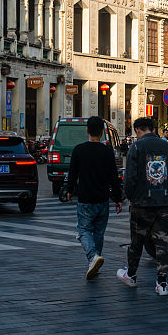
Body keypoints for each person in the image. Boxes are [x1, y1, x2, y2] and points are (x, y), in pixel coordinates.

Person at [117, 116, 168, 296]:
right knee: (162, 242)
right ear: (152, 128)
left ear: (137, 130)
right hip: (164, 201)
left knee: (137, 241)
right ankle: (162, 283)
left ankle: (131, 275)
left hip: (142, 203)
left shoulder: (136, 147)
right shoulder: (167, 146)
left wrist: (129, 196)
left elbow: (130, 178)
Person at [64, 116, 124, 280]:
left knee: (83, 230)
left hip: (85, 198)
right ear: (103, 132)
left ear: (87, 130)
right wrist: (118, 198)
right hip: (103, 199)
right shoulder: (107, 151)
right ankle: (95, 263)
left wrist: (69, 190)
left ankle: (93, 257)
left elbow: (73, 173)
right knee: (98, 233)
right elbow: (114, 176)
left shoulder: (79, 150)